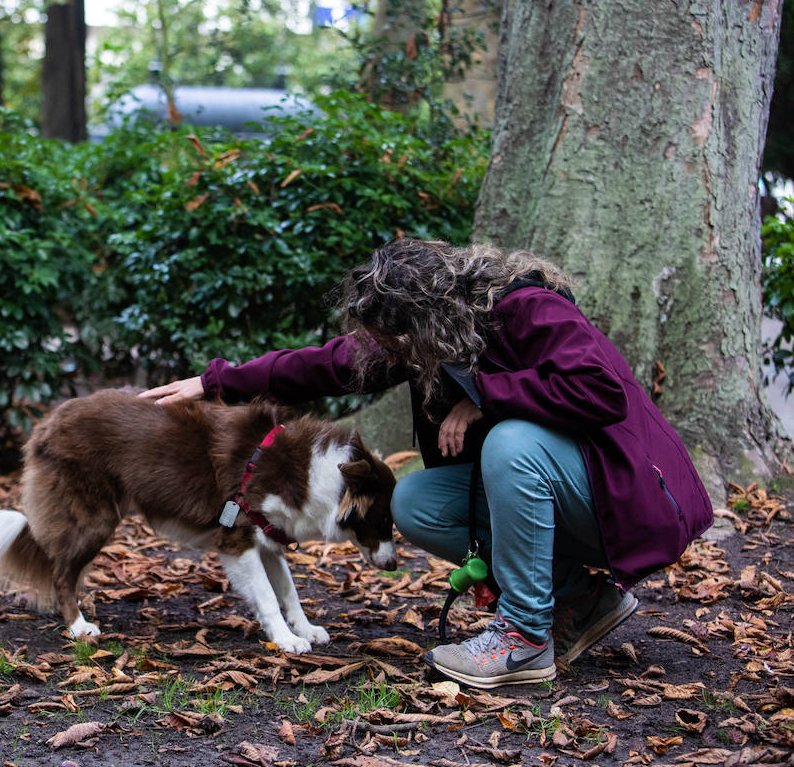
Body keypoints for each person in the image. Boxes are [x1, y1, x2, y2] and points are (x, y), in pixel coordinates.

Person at [141, 238, 713, 689]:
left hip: (630, 502)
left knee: (511, 443)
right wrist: (215, 382)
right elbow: (326, 365)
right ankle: (581, 597)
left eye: (391, 343)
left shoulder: (528, 310)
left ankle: (525, 638)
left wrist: (487, 393)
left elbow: (600, 391)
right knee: (416, 502)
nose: (385, 354)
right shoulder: (429, 340)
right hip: (572, 497)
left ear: (426, 321)